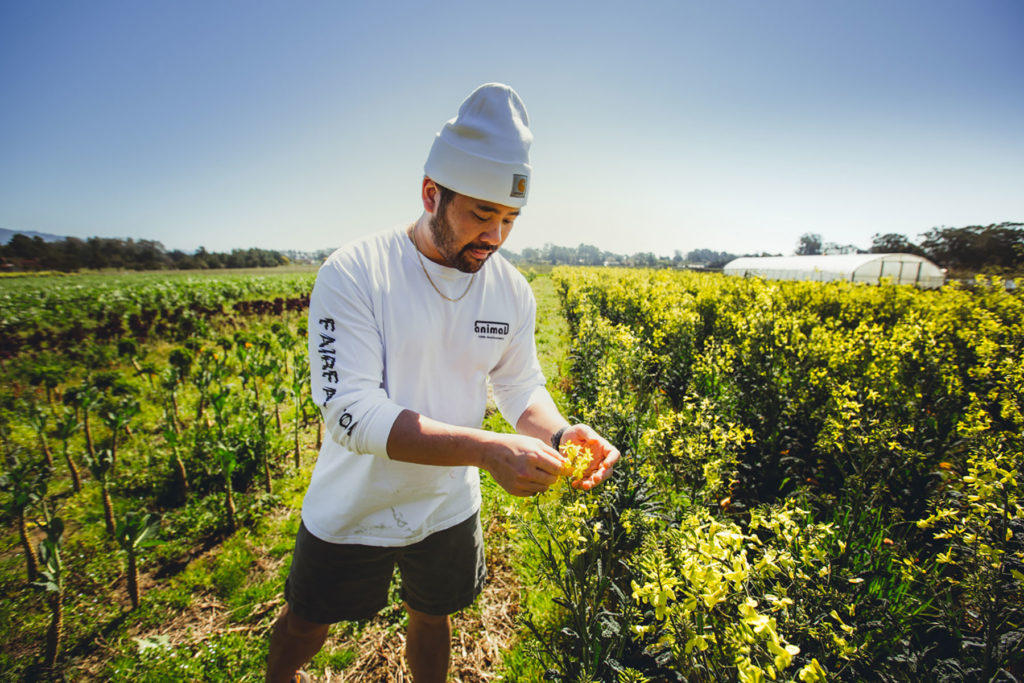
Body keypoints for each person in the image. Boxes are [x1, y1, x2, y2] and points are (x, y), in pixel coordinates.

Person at [265, 83, 620, 683]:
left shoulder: (510, 290)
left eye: (509, 219)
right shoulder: (354, 272)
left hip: (447, 506)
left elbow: (518, 386)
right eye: (482, 214)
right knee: (306, 623)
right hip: (353, 502)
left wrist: (560, 434)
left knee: (433, 618)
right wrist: (487, 450)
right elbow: (349, 413)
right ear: (431, 194)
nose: (496, 236)